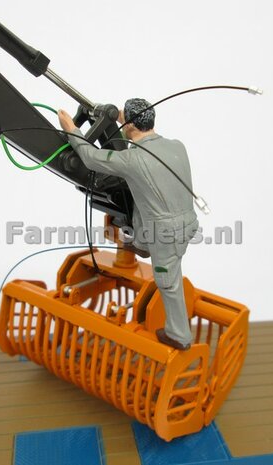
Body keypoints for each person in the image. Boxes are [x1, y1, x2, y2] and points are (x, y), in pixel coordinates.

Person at [58, 98, 198, 350]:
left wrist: (72, 129)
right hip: (187, 222)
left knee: (168, 281)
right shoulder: (178, 146)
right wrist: (119, 117)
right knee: (147, 204)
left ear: (131, 124)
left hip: (166, 235)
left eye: (125, 117)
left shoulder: (133, 160)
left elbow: (90, 157)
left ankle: (180, 336)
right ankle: (143, 243)